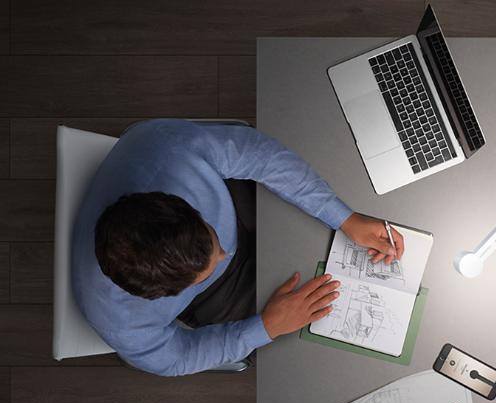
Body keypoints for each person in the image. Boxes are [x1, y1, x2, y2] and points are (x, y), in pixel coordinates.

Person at [72, 119, 404, 376]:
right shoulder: (122, 323)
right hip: (219, 293)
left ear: (176, 204)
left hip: (232, 201)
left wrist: (344, 217)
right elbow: (177, 358)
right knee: (312, 335)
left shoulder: (168, 149)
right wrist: (265, 327)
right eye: (205, 269)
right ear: (164, 294)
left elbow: (263, 156)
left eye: (210, 237)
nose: (224, 254)